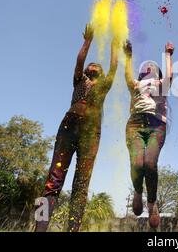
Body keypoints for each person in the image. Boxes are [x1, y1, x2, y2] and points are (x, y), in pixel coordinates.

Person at [35, 24, 120, 232]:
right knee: (53, 181)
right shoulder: (79, 80)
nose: (93, 66)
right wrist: (88, 41)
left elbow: (114, 67)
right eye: (91, 65)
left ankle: (73, 229)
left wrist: (115, 45)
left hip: (92, 132)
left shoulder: (103, 86)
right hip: (69, 125)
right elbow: (80, 61)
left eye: (96, 66)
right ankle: (39, 227)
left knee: (81, 185)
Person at [124, 41, 174, 229]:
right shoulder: (136, 85)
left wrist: (168, 54)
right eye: (146, 66)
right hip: (135, 125)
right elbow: (127, 78)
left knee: (150, 163)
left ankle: (152, 202)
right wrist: (128, 57)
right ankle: (138, 191)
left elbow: (169, 75)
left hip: (156, 125)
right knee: (137, 163)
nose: (149, 66)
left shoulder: (162, 84)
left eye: (153, 66)